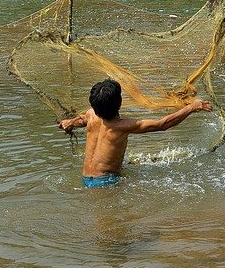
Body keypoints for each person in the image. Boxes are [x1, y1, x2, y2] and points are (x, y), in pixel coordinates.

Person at [58, 79, 212, 188]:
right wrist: (191, 107)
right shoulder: (122, 126)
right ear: (119, 102)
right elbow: (163, 124)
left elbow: (82, 120)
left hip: (85, 178)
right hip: (106, 182)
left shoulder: (91, 114)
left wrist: (70, 122)